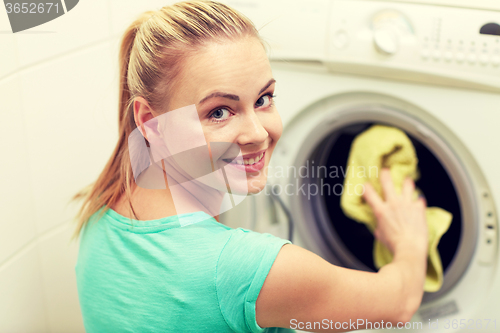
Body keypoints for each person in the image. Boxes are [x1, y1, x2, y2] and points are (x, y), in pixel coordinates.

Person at [71, 1, 429, 332]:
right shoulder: (244, 268)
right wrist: (411, 240)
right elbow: (398, 305)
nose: (258, 134)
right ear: (151, 123)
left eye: (263, 99)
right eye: (219, 112)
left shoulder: (102, 211)